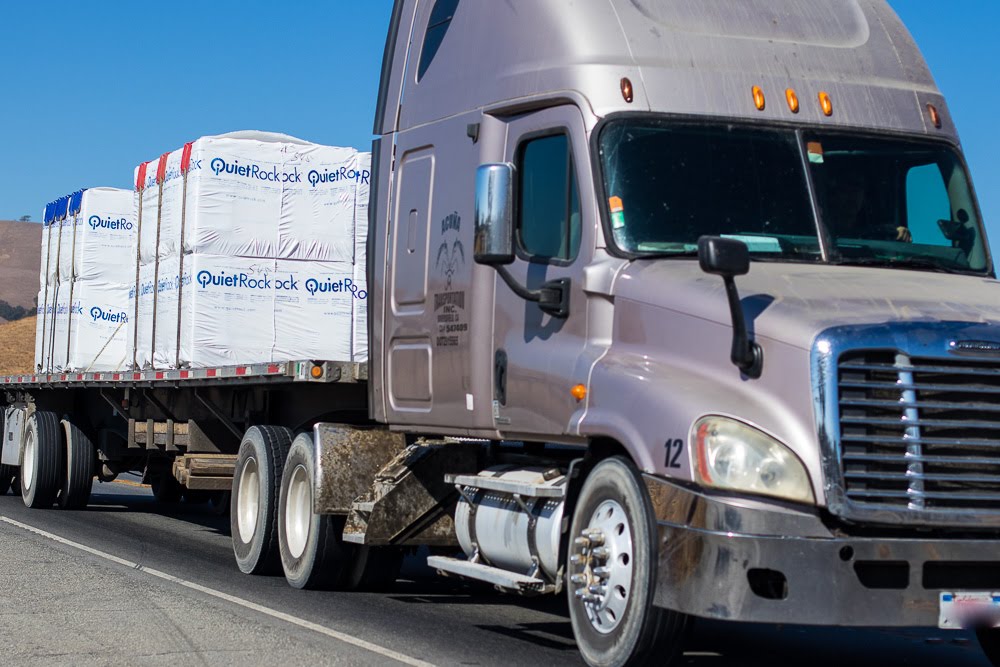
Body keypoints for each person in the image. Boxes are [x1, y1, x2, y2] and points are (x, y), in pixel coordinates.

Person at [827, 171, 911, 242]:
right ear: (833, 194)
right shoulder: (820, 232)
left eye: (857, 188)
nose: (852, 194)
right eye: (845, 189)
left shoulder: (874, 234)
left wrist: (899, 233)